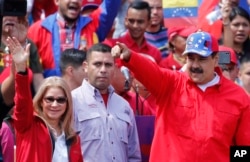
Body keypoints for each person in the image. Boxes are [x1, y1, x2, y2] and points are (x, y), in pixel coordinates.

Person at [111, 31, 250, 162]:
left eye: (202, 59)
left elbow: (244, 148)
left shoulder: (238, 97)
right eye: (191, 58)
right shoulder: (170, 83)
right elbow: (150, 70)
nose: (195, 65)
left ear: (216, 60)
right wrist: (130, 56)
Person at [6, 36, 83, 162]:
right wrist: (21, 69)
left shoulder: (73, 139)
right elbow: (22, 103)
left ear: (67, 103)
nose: (55, 104)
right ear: (41, 102)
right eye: (49, 99)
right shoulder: (28, 125)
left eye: (60, 100)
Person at [71, 43, 141, 162]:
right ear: (85, 67)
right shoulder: (72, 100)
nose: (103, 70)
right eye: (97, 64)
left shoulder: (124, 106)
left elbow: (133, 155)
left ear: (114, 68)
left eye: (108, 65)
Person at [28, 0, 121, 77]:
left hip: (84, 95)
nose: (75, 1)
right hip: (51, 96)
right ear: (56, 1)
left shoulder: (92, 25)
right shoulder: (37, 29)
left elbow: (111, 4)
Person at [0, 16, 44, 93]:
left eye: (14, 13)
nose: (10, 18)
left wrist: (22, 43)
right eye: (6, 12)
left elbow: (38, 81)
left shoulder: (29, 44)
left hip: (23, 98)